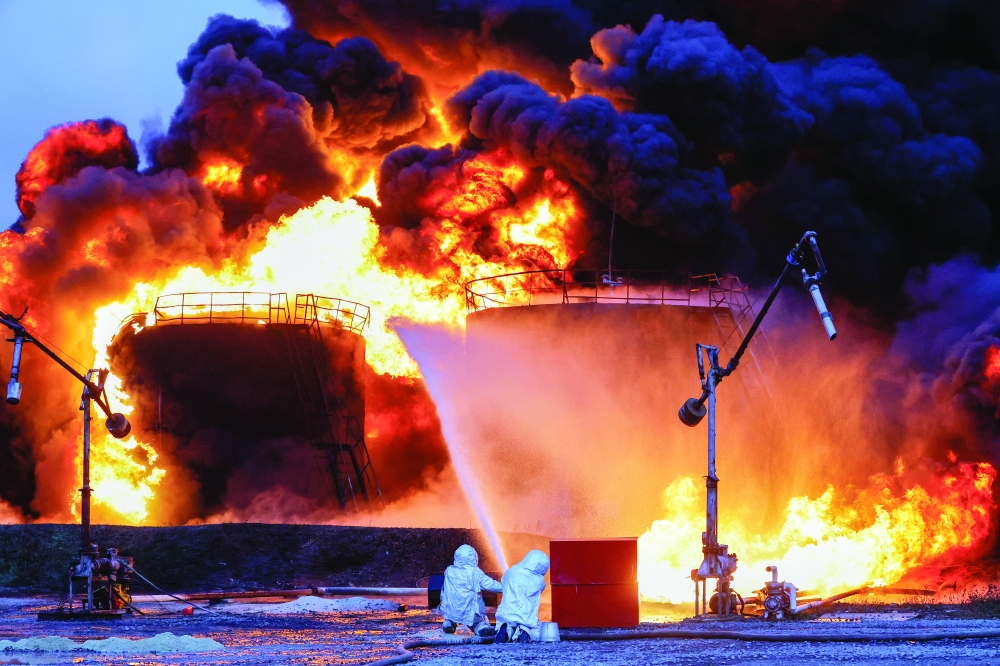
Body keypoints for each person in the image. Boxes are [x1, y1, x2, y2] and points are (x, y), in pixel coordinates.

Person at [439, 544, 502, 636]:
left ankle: (449, 623)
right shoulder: (474, 572)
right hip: (469, 609)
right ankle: (481, 628)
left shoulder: (449, 571)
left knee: (451, 616)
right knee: (476, 622)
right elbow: (490, 585)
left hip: (451, 609)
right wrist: (505, 587)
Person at [495, 549, 549, 643]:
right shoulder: (539, 581)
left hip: (506, 615)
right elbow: (542, 588)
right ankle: (524, 631)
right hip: (526, 618)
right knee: (538, 630)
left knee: (505, 623)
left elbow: (503, 582)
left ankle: (507, 629)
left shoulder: (511, 571)